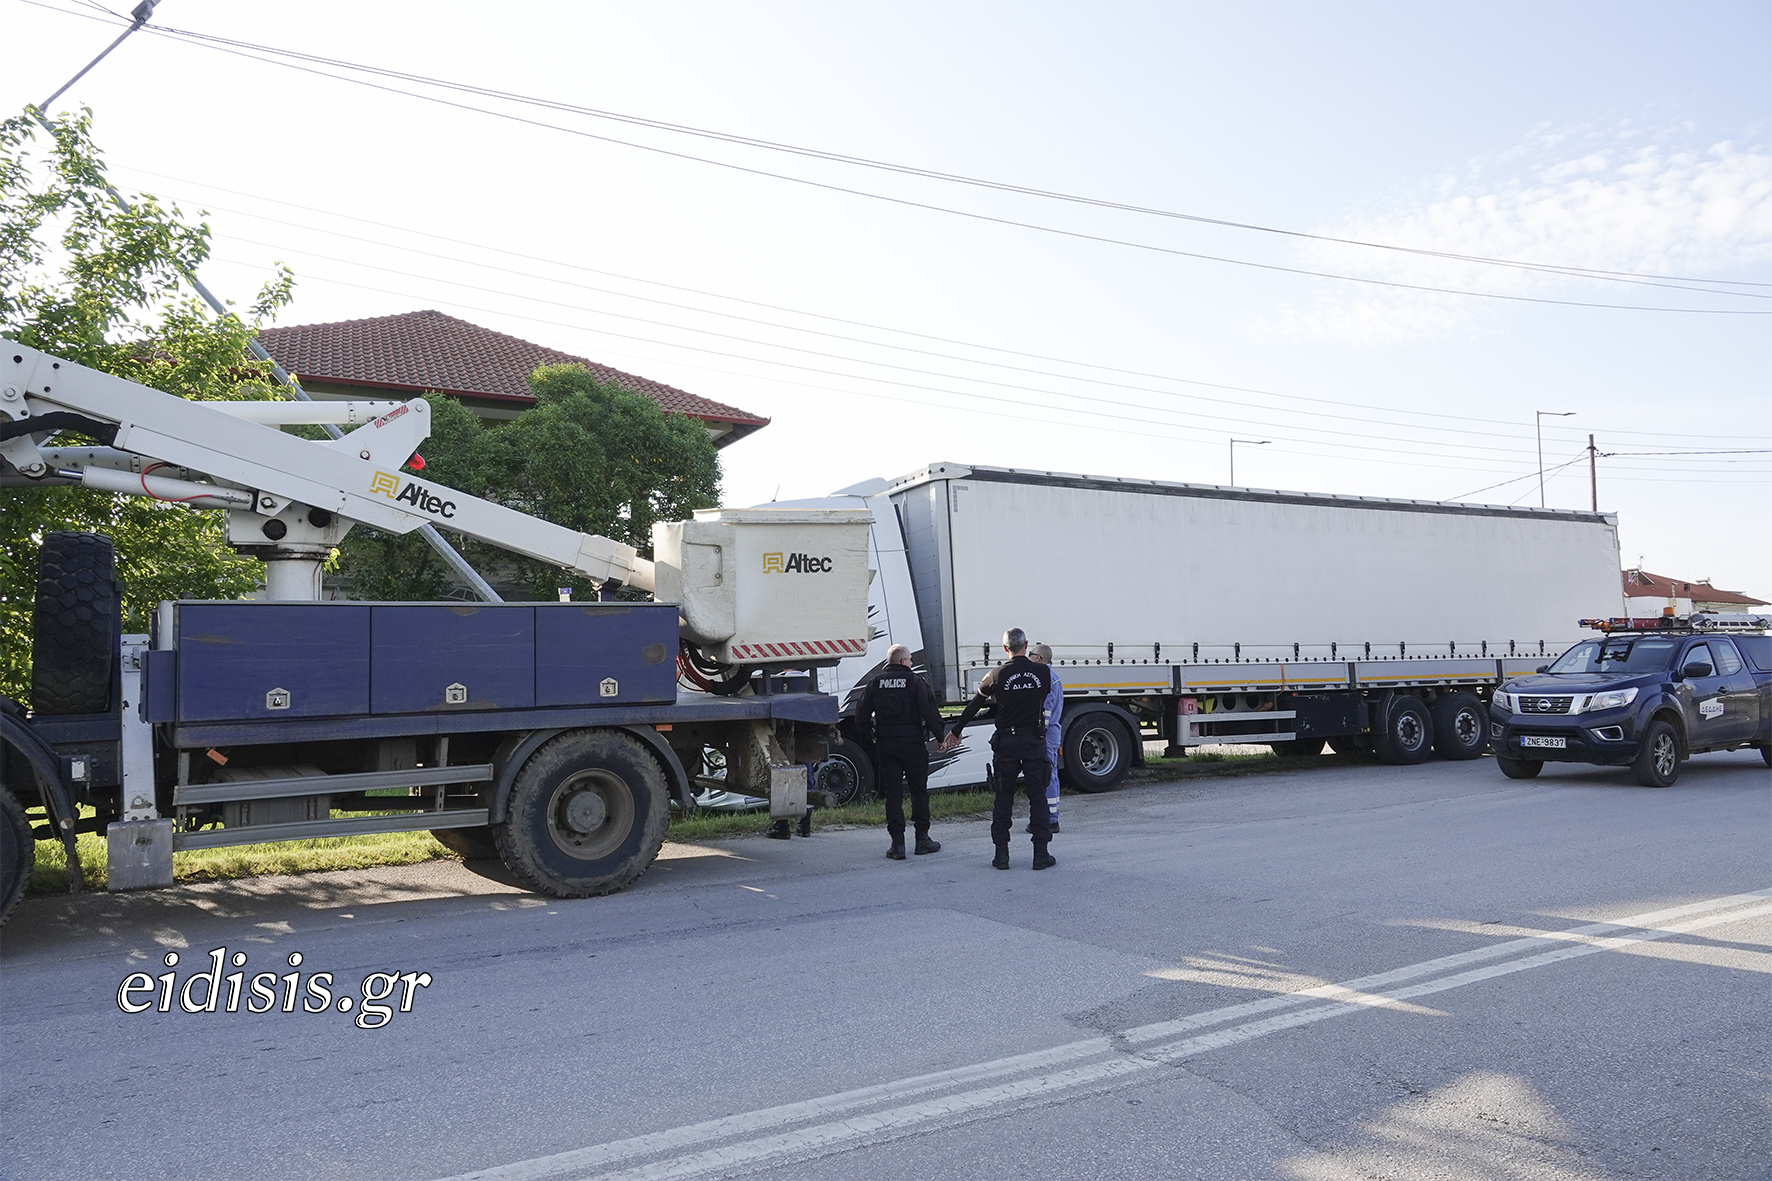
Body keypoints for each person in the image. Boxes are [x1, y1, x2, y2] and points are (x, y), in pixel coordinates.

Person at [948, 628, 1056, 871]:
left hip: (1007, 742)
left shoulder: (996, 674)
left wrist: (956, 731)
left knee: (1003, 797)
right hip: (1033, 740)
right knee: (1037, 797)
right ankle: (1041, 854)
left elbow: (975, 703)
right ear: (1026, 645)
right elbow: (1042, 694)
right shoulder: (1042, 671)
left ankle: (1001, 856)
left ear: (1005, 648)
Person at [856, 644, 947, 860]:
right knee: (919, 791)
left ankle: (897, 845)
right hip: (913, 744)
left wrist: (870, 739)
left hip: (887, 746)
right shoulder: (916, 682)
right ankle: (922, 840)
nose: (912, 663)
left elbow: (861, 715)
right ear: (904, 661)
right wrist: (941, 737)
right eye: (911, 660)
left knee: (893, 793)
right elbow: (930, 712)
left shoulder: (875, 683)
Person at [1028, 642, 1062, 834]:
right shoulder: (1054, 678)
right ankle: (1050, 817)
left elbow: (1045, 713)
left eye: (1031, 654)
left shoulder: (1045, 678)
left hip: (1046, 736)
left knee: (1047, 777)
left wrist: (1038, 733)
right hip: (1051, 734)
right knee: (1050, 775)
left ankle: (1050, 820)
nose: (1029, 657)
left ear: (1038, 658)